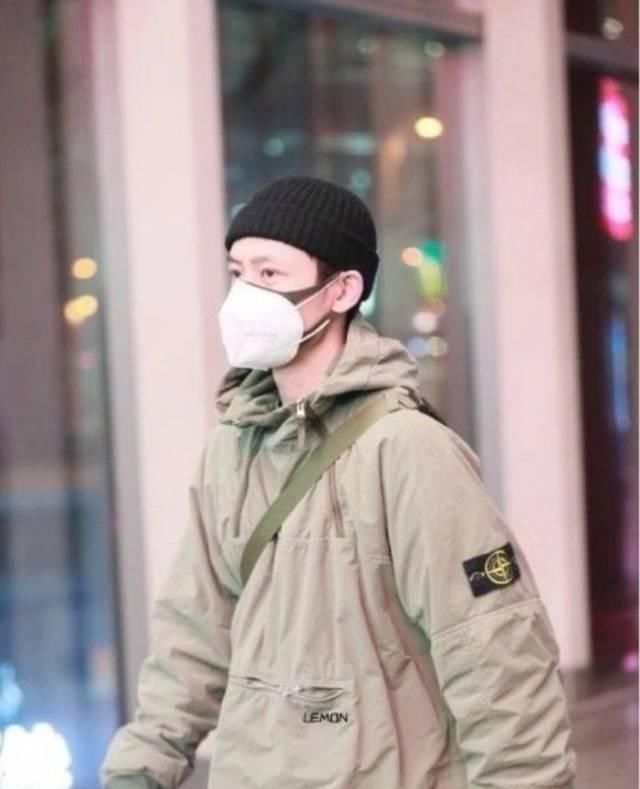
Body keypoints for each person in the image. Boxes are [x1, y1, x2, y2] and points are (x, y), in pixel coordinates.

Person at [101, 176, 577, 789]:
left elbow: (496, 655)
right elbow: (192, 636)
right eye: (238, 273)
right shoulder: (232, 448)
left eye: (270, 274)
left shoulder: (408, 449)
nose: (245, 295)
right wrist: (137, 771)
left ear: (342, 290)